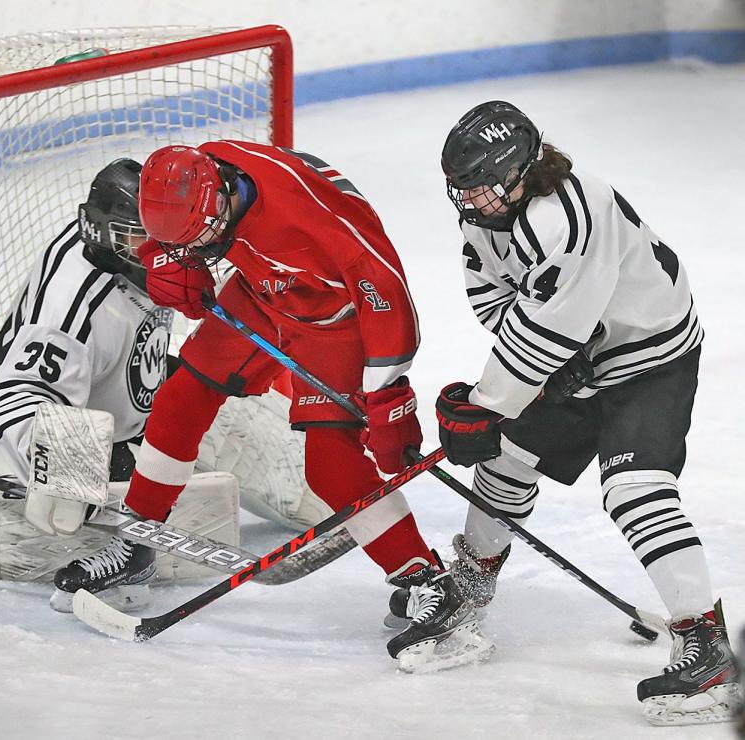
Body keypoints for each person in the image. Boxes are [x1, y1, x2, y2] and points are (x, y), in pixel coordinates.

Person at [112, 141, 494, 672]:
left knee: (330, 465)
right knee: (182, 396)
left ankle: (425, 580)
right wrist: (167, 255)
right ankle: (137, 539)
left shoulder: (306, 218)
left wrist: (386, 393)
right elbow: (155, 219)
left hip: (336, 318)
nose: (201, 245)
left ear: (220, 196)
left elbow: (384, 289)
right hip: (262, 293)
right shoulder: (199, 177)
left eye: (203, 236)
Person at [428, 99, 740, 723]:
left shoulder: (568, 215)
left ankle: (708, 644)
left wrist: (488, 405)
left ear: (521, 171)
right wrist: (521, 391)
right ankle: (473, 581)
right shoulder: (488, 211)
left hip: (649, 355)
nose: (471, 202)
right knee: (506, 455)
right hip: (579, 350)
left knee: (634, 489)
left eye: (484, 188)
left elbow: (546, 329)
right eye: (462, 190)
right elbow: (496, 295)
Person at [0, 158, 337, 606]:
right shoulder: (71, 306)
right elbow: (18, 394)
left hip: (148, 389)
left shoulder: (172, 243)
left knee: (314, 497)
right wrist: (66, 472)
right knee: (123, 520)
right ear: (104, 237)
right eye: (143, 239)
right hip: (87, 430)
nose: (163, 252)